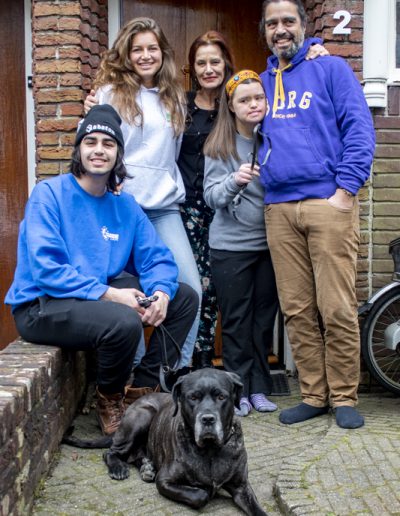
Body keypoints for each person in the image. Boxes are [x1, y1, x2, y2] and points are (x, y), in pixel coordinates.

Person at [4, 104, 198, 436]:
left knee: (185, 297)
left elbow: (157, 259)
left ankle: (144, 391)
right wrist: (112, 294)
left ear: (118, 155)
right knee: (122, 321)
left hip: (90, 300)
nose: (98, 150)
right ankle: (109, 399)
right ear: (79, 149)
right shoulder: (49, 195)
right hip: (42, 304)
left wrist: (162, 293)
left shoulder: (124, 206)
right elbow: (46, 270)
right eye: (90, 141)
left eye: (108, 144)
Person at [258, 0, 375, 429]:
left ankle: (344, 396)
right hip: (279, 208)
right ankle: (313, 394)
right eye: (272, 24)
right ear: (265, 32)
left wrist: (345, 191)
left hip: (328, 203)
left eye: (288, 21)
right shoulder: (262, 82)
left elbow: (359, 128)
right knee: (297, 309)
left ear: (304, 27)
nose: (280, 29)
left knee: (337, 306)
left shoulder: (331, 69)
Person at [83, 17, 202, 372]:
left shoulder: (174, 98)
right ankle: (130, 376)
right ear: (127, 54)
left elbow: (171, 155)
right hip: (120, 208)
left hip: (164, 209)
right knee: (127, 291)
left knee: (188, 287)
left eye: (152, 48)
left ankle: (172, 373)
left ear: (162, 53)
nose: (145, 56)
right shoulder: (107, 94)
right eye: (138, 49)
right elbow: (91, 147)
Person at [203, 70, 279, 416]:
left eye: (258, 98)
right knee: (235, 322)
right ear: (231, 106)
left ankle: (259, 387)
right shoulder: (220, 146)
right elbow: (210, 197)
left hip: (269, 246)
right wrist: (234, 180)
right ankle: (237, 393)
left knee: (263, 322)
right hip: (230, 248)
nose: (253, 105)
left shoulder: (275, 138)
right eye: (244, 100)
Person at [177, 31, 234, 369]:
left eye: (215, 61)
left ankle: (204, 358)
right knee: (192, 285)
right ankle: (184, 361)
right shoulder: (180, 104)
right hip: (185, 211)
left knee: (214, 286)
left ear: (226, 63)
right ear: (193, 67)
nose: (209, 68)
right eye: (202, 62)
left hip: (225, 209)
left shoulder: (236, 103)